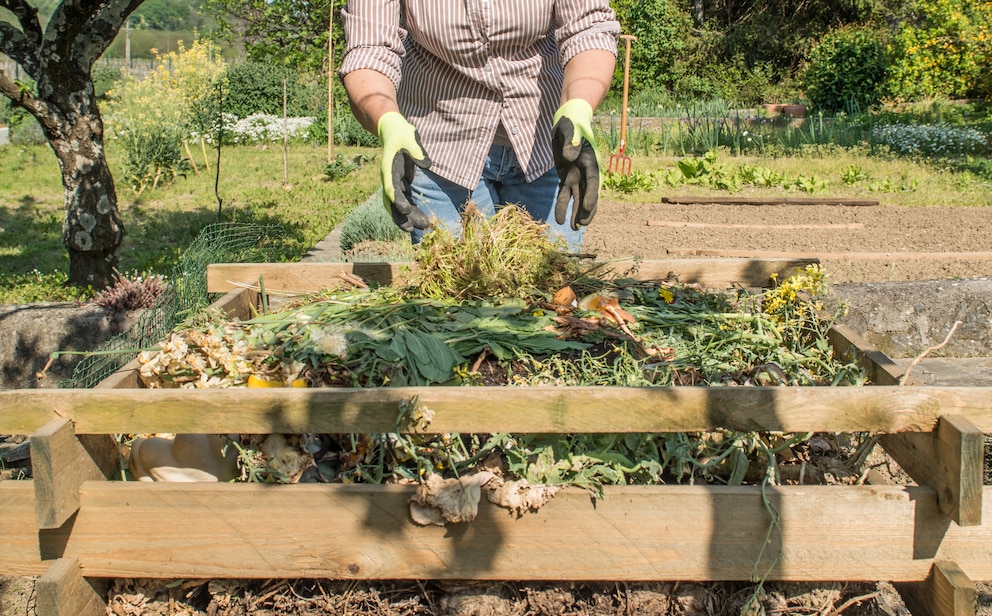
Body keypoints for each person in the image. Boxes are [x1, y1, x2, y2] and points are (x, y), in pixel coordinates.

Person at [340, 1, 620, 252]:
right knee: (451, 301)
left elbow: (588, 27)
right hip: (440, 151)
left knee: (552, 296)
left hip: (546, 147)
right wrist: (388, 121)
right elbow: (370, 47)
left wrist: (578, 105)